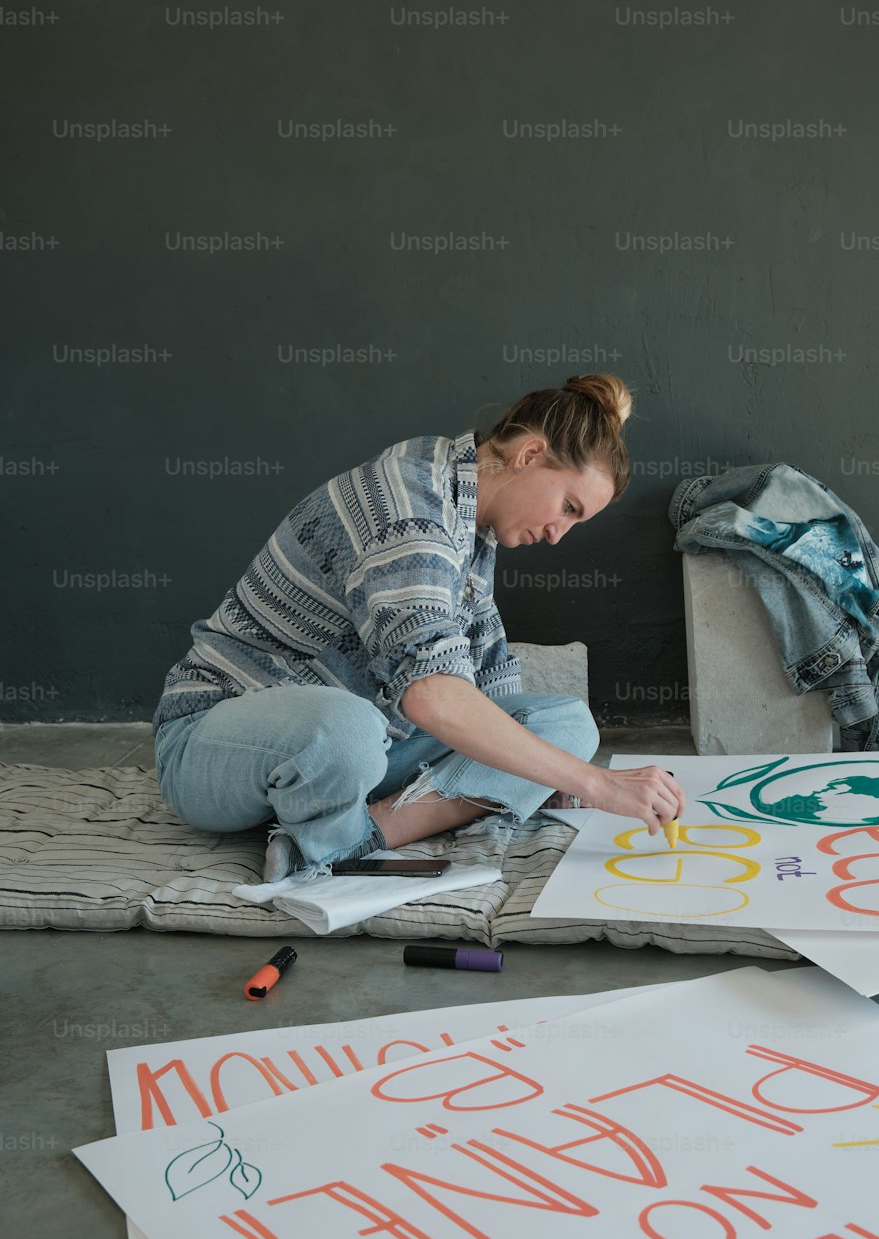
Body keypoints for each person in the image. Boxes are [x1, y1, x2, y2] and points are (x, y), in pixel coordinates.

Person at [151, 373, 685, 881]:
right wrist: (595, 782)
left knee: (568, 726)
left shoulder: (468, 514)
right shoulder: (409, 506)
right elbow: (433, 698)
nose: (557, 536)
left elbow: (489, 691)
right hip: (217, 743)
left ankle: (359, 835)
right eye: (567, 507)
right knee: (347, 730)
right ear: (529, 455)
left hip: (364, 746)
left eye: (575, 522)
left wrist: (545, 773)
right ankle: (330, 840)